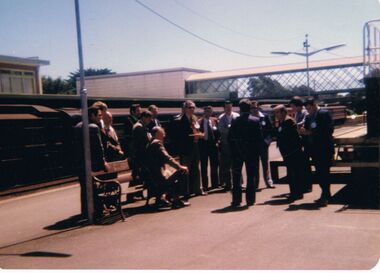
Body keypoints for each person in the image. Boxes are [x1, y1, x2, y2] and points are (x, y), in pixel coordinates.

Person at [74, 106, 110, 219]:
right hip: (93, 164)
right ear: (92, 115)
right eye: (98, 115)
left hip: (80, 163)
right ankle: (99, 210)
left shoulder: (78, 126)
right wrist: (103, 162)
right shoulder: (94, 127)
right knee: (95, 186)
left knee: (84, 188)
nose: (100, 118)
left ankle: (86, 212)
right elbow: (99, 147)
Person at [299, 98, 334, 206]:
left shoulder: (324, 113)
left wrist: (310, 132)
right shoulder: (309, 117)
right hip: (314, 149)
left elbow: (329, 130)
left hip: (324, 149)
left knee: (324, 173)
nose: (308, 111)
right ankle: (326, 194)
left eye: (309, 108)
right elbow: (307, 129)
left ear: (314, 105)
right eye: (306, 109)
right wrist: (302, 131)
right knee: (319, 173)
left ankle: (325, 195)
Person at [146, 126, 190, 209]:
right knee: (183, 172)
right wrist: (180, 167)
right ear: (156, 134)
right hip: (159, 177)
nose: (164, 136)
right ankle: (176, 200)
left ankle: (161, 198)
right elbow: (167, 158)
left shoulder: (150, 143)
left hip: (153, 175)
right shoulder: (157, 143)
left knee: (173, 174)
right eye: (162, 134)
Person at [228, 99, 261, 207]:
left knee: (236, 176)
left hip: (237, 152)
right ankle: (250, 200)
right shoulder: (255, 121)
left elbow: (230, 138)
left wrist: (234, 150)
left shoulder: (235, 121)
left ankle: (236, 200)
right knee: (251, 176)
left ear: (240, 108)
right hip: (251, 152)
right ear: (249, 108)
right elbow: (258, 139)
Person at [273, 105, 308, 202]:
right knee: (292, 173)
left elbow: (293, 138)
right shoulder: (282, 122)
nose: (275, 115)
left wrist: (289, 150)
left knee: (294, 173)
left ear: (283, 112)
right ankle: (295, 193)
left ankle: (296, 193)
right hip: (287, 152)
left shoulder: (289, 121)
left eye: (277, 112)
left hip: (292, 152)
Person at [173, 100, 204, 198]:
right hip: (185, 149)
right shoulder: (179, 120)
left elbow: (197, 129)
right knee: (185, 170)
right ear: (185, 108)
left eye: (193, 107)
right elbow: (178, 136)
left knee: (196, 168)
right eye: (190, 107)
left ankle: (197, 189)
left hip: (195, 146)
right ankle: (185, 192)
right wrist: (191, 136)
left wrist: (200, 134)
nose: (192, 109)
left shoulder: (194, 118)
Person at [289, 96, 313, 193]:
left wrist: (295, 124)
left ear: (298, 105)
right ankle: (305, 184)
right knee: (303, 164)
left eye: (293, 106)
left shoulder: (304, 112)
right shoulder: (297, 113)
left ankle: (308, 185)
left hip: (307, 141)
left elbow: (303, 122)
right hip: (302, 140)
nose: (292, 109)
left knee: (306, 164)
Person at [250, 101, 275, 189]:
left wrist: (267, 141)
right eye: (252, 108)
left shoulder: (265, 117)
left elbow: (270, 129)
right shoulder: (249, 118)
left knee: (265, 164)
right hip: (253, 145)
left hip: (263, 144)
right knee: (255, 165)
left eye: (255, 107)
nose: (253, 109)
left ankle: (268, 182)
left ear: (258, 107)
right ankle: (256, 183)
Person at [218, 100, 239, 191]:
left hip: (236, 144)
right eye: (227, 107)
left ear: (232, 107)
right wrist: (231, 130)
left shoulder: (237, 116)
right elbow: (221, 129)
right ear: (224, 108)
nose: (228, 108)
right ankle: (228, 184)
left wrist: (229, 128)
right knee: (226, 164)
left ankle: (238, 183)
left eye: (230, 107)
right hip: (226, 143)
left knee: (237, 163)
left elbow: (239, 128)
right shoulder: (221, 117)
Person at [198, 105, 220, 191]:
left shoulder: (214, 120)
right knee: (204, 166)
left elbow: (218, 132)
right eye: (207, 111)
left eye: (210, 111)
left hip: (213, 145)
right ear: (204, 112)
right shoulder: (200, 122)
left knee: (214, 165)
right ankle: (205, 185)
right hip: (204, 145)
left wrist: (218, 141)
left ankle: (215, 184)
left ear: (212, 112)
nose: (208, 113)